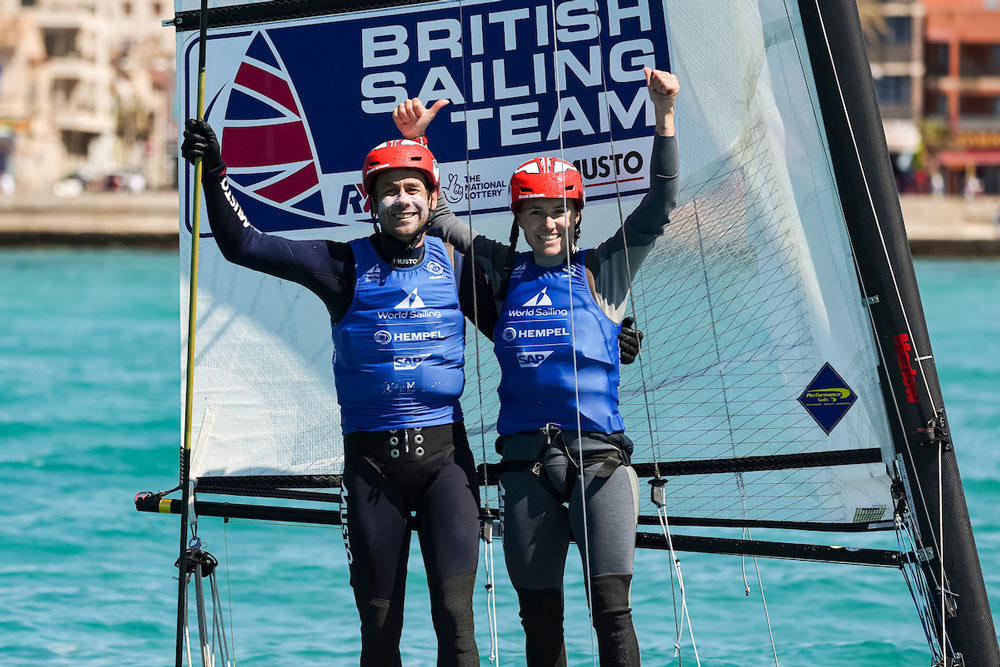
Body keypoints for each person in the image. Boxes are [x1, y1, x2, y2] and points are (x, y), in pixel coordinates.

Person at [393, 67, 680, 666]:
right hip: (525, 472)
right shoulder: (503, 270)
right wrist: (418, 144)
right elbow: (439, 218)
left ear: (575, 216)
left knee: (612, 611)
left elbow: (659, 204)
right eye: (535, 213)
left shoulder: (605, 270)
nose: (548, 224)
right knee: (539, 620)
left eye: (559, 212)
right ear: (518, 220)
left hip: (599, 467)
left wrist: (663, 115)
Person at [180, 123, 482, 666]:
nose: (401, 200)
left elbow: (533, 321)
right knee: (381, 631)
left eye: (413, 188)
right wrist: (214, 171)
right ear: (369, 201)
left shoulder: (458, 267)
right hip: (371, 472)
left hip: (448, 467)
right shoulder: (340, 266)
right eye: (388, 190)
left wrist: (608, 332)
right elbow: (242, 244)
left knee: (456, 624)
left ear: (433, 199)